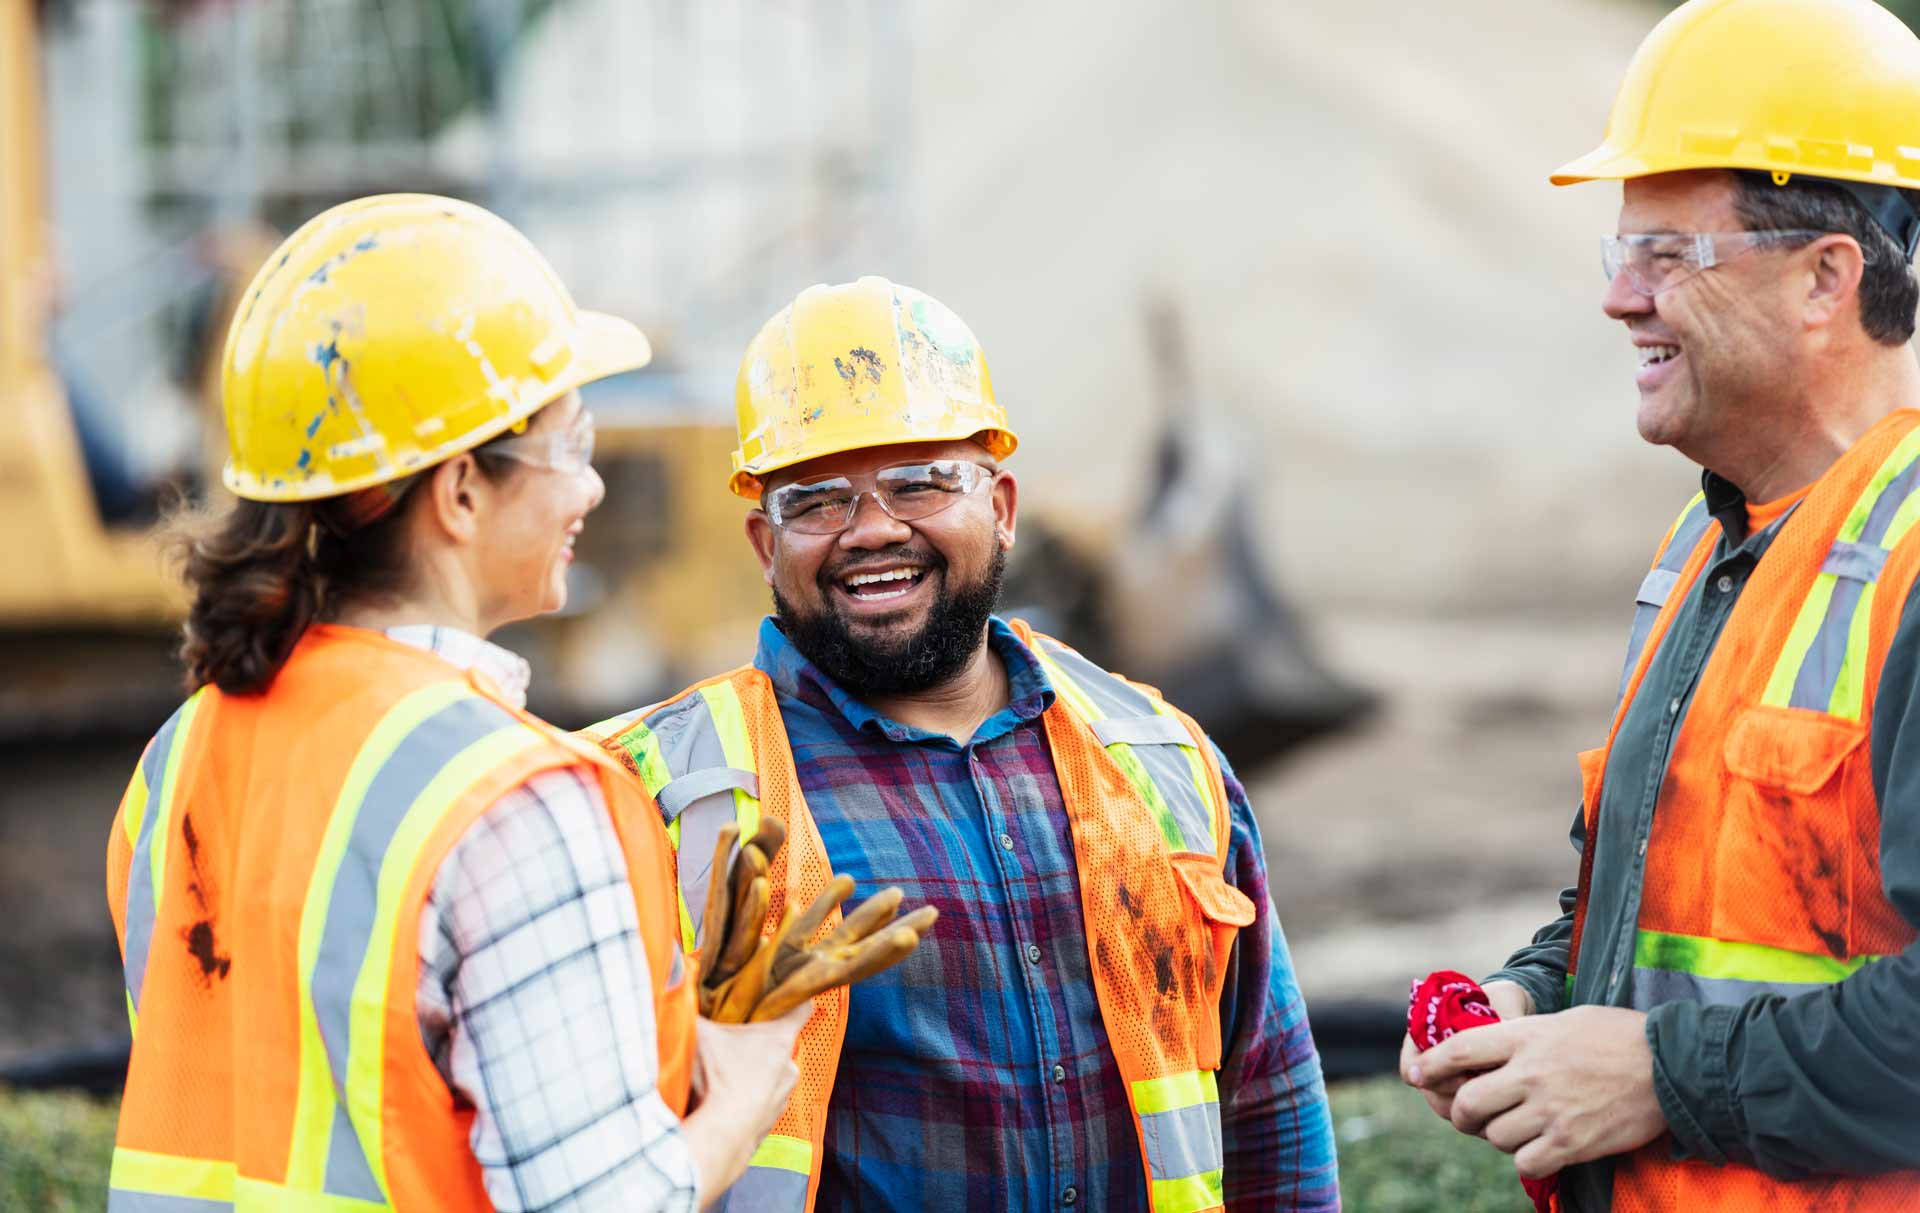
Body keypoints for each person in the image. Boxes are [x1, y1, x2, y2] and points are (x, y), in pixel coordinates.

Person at [103, 193, 809, 1213]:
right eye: (573, 446)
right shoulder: (519, 801)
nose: (591, 489)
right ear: (462, 490)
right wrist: (739, 1104)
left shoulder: (179, 754)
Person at [585, 276, 1338, 1212]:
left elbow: (1268, 1101)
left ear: (1004, 505)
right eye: (816, 501)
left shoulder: (1160, 756)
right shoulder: (648, 797)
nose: (872, 530)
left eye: (920, 482)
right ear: (761, 545)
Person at [1399, 1, 1920, 1208]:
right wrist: (1535, 995)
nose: (1619, 298)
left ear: (1825, 279)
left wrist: (1656, 1074)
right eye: (1616, 252)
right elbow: (1661, 909)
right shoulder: (1710, 537)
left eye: (1669, 255)